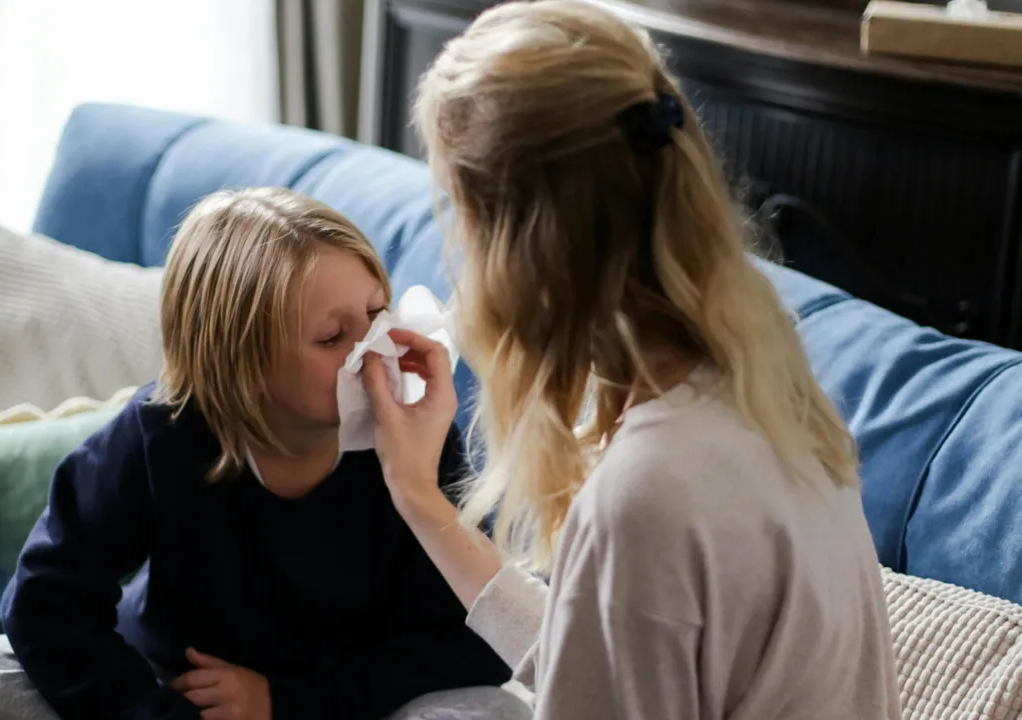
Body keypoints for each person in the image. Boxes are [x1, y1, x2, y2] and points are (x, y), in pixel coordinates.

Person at [359, 1, 903, 718]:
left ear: (523, 253)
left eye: (462, 219)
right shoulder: (765, 393)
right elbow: (605, 658)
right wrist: (419, 496)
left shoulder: (647, 497)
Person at [0, 187, 523, 720]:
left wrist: (287, 701)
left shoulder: (416, 435)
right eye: (333, 336)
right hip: (174, 685)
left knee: (494, 712)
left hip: (348, 695)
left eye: (377, 310)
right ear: (242, 362)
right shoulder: (162, 434)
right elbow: (44, 600)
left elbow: (483, 640)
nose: (374, 346)